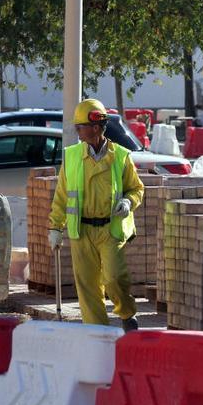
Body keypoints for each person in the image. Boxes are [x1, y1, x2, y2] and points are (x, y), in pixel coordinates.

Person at [48, 99, 145, 332]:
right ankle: (97, 332)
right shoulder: (71, 157)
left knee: (113, 277)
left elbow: (137, 188)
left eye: (79, 127)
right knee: (88, 287)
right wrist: (55, 228)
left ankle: (126, 313)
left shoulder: (121, 156)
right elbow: (62, 195)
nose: (77, 133)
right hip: (82, 231)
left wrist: (127, 201)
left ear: (95, 127)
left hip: (110, 228)